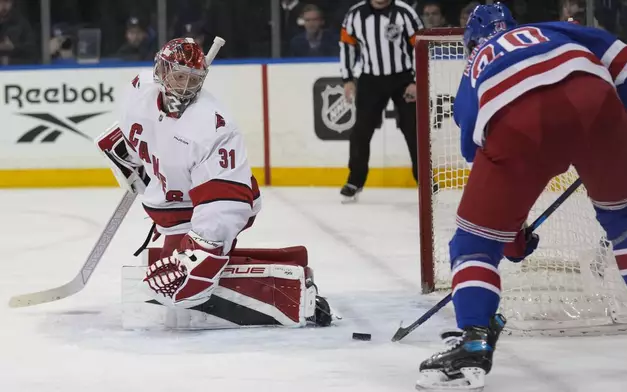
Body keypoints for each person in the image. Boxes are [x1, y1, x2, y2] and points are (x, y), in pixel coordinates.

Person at [416, 3, 627, 391]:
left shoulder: (473, 71)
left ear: (471, 44)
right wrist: (621, 120)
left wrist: (511, 240)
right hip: (598, 101)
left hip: (517, 122)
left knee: (474, 244)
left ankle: (473, 344)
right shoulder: (556, 29)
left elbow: (494, 173)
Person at [96, 37, 333, 328]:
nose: (184, 85)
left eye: (191, 78)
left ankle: (290, 287)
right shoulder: (139, 88)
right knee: (168, 269)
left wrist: (201, 255)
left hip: (209, 204)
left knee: (185, 275)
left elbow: (225, 203)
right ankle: (277, 260)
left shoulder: (213, 124)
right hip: (173, 202)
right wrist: (132, 159)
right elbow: (140, 132)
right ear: (161, 69)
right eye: (178, 75)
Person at [339, 0, 423, 202]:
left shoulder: (404, 12)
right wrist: (348, 79)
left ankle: (424, 182)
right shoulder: (355, 14)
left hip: (404, 79)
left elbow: (421, 46)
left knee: (414, 130)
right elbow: (346, 45)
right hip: (370, 79)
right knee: (361, 131)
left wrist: (416, 80)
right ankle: (355, 180)